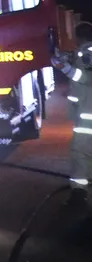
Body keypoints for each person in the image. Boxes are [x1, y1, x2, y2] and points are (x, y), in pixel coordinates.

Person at [51, 22, 92, 208]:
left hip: (88, 116)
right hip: (85, 113)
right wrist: (67, 58)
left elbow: (86, 77)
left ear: (79, 36)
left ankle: (79, 195)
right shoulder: (84, 51)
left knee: (80, 154)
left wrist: (64, 67)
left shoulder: (88, 52)